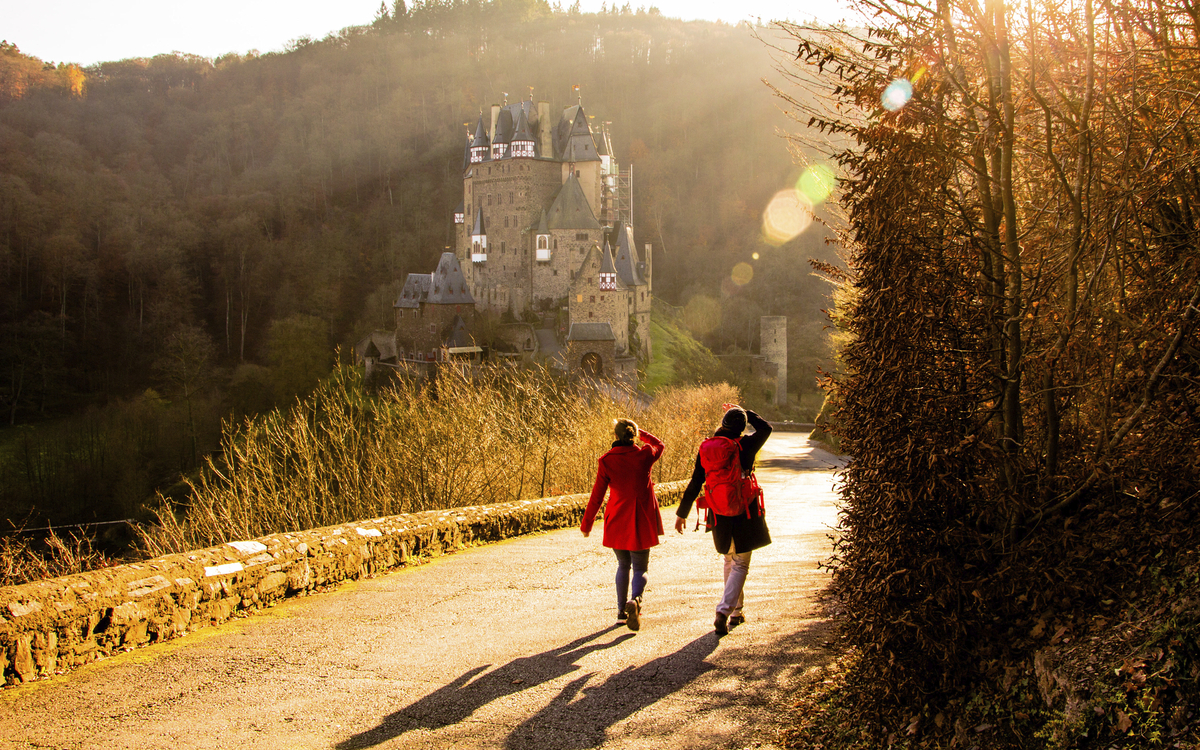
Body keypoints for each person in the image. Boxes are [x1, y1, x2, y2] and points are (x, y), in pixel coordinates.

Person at [673, 404, 772, 635]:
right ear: (741, 427)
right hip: (743, 510)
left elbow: (696, 481)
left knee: (730, 560)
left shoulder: (708, 447)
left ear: (723, 423)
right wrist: (748, 410)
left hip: (717, 511)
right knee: (740, 564)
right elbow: (766, 428)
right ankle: (724, 611)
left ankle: (736, 612)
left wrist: (681, 513)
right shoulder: (746, 444)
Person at [581, 418, 665, 631]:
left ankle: (620, 612)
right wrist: (641, 433)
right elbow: (659, 445)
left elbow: (597, 496)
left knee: (622, 565)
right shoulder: (644, 455)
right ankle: (635, 601)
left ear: (616, 436)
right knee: (640, 566)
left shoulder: (606, 460)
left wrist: (587, 523)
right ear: (633, 435)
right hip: (641, 518)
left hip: (617, 518)